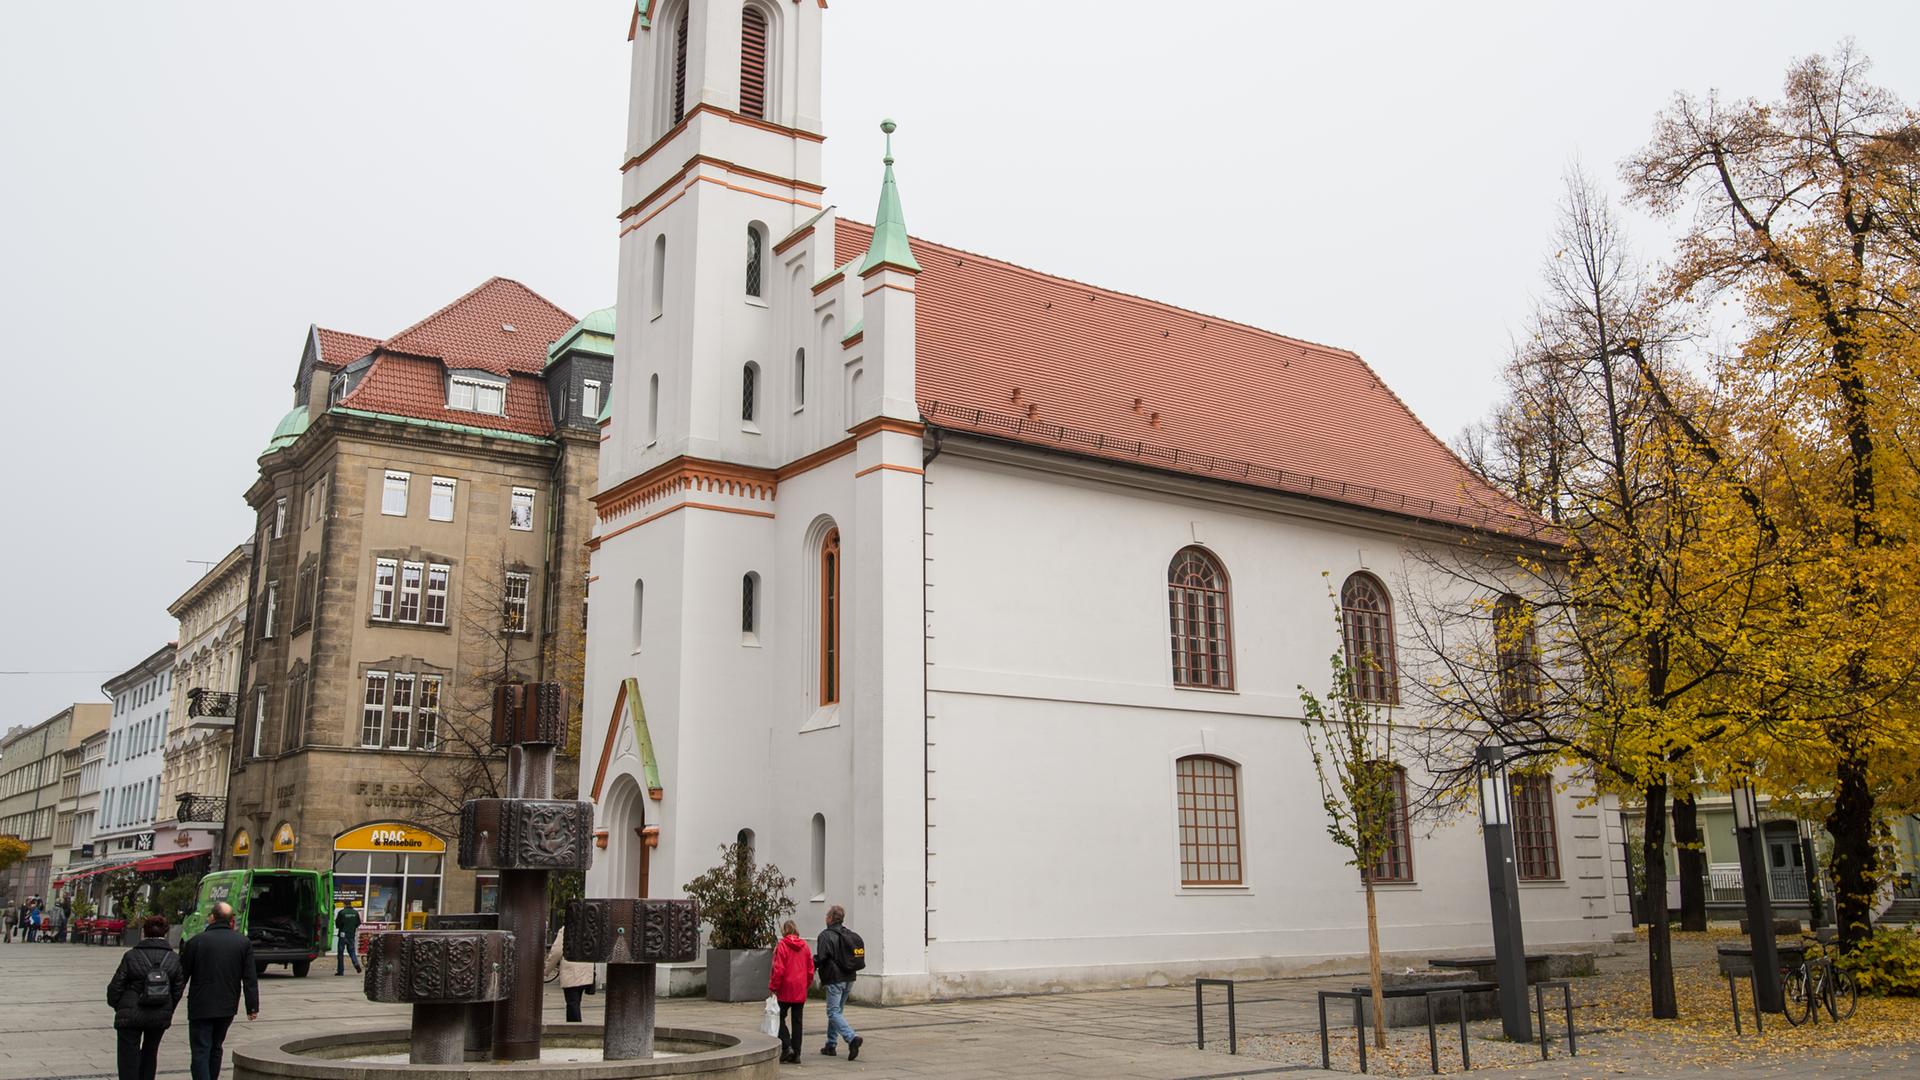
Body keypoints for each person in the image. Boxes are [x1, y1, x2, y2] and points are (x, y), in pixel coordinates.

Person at [179, 901, 259, 1080]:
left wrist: (171, 1002)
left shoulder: (196, 941)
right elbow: (250, 978)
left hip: (201, 1005)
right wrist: (252, 1007)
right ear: (231, 920)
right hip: (227, 1005)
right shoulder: (242, 943)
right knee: (216, 1047)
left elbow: (182, 976)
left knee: (200, 1049)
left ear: (212, 918)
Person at [106, 915, 186, 1080]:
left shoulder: (131, 956)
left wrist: (119, 1005)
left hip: (131, 1011)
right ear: (165, 933)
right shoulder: (174, 958)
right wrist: (168, 1007)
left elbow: (116, 986)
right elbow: (178, 989)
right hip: (159, 1011)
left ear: (144, 932)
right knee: (150, 1052)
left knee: (128, 1055)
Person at [815, 905, 863, 1061]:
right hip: (849, 977)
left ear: (830, 918)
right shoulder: (848, 934)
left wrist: (810, 964)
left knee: (833, 1012)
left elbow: (821, 957)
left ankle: (851, 1038)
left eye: (826, 916)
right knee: (837, 1012)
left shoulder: (825, 935)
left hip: (835, 978)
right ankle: (831, 1044)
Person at [768, 919, 813, 1064]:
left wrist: (773, 987)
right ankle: (797, 1053)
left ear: (784, 931)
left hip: (785, 988)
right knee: (797, 1021)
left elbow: (778, 969)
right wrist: (806, 984)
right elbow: (810, 970)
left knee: (778, 1017)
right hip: (799, 989)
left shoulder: (782, 946)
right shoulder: (805, 946)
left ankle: (787, 1046)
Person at [544, 926, 595, 1023]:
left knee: (572, 1002)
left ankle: (574, 1027)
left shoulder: (566, 929)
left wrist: (546, 969)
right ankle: (575, 1025)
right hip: (586, 968)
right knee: (576, 1001)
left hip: (571, 970)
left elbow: (557, 951)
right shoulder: (589, 927)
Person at [333, 901, 362, 976]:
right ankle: (356, 963)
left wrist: (341, 927)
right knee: (352, 951)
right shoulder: (355, 913)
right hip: (351, 935)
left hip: (342, 935)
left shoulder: (341, 912)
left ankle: (340, 971)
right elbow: (358, 923)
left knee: (340, 953)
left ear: (345, 905)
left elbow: (338, 923)